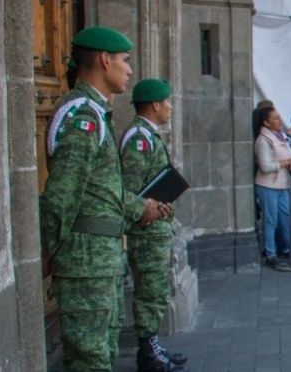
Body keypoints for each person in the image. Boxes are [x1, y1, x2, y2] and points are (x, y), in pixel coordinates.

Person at [40, 26, 168, 372]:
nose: (129, 70)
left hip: (100, 258)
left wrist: (143, 206)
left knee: (103, 353)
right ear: (103, 59)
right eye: (125, 61)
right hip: (85, 261)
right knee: (90, 359)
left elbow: (104, 191)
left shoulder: (97, 113)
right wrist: (48, 251)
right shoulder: (83, 116)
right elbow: (61, 195)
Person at [120, 79, 188, 371]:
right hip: (145, 232)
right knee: (148, 292)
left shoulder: (148, 135)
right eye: (168, 101)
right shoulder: (138, 138)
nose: (171, 106)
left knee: (155, 292)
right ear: (155, 104)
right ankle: (148, 355)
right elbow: (132, 188)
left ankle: (153, 346)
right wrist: (151, 207)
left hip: (156, 227)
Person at [254, 106, 291, 267]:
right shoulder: (263, 140)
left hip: (282, 184)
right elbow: (265, 166)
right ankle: (270, 253)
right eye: (276, 119)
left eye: (279, 118)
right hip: (268, 185)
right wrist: (285, 163)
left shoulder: (281, 137)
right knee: (271, 220)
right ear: (266, 122)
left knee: (286, 218)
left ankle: (290, 249)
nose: (280, 121)